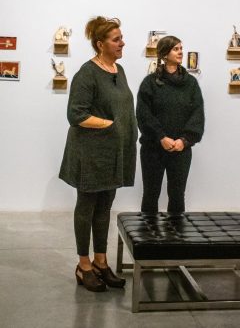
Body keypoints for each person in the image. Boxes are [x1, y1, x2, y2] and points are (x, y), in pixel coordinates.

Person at [59, 16, 137, 292]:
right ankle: (84, 265)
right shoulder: (86, 73)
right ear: (100, 43)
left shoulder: (119, 70)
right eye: (116, 39)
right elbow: (76, 114)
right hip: (90, 153)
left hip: (113, 153)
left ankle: (101, 262)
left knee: (104, 208)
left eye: (121, 37)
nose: (122, 42)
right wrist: (111, 126)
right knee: (87, 207)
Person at [136, 35, 205, 214]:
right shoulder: (149, 83)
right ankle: (147, 239)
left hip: (181, 150)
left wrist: (184, 140)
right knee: (150, 194)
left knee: (177, 195)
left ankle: (175, 239)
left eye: (181, 48)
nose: (181, 52)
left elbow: (197, 114)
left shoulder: (190, 83)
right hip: (153, 150)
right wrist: (161, 137)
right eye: (176, 49)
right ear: (164, 54)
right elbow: (144, 115)